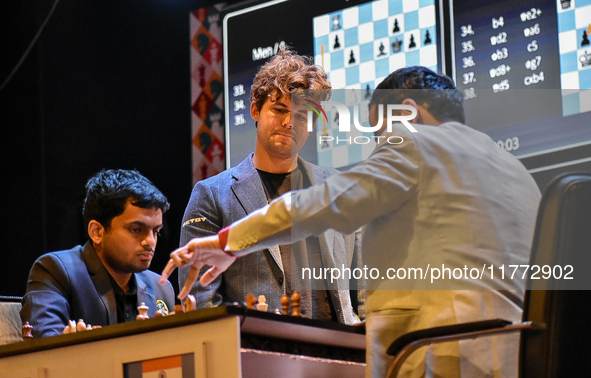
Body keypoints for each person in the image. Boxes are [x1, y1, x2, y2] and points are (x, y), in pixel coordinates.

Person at [162, 66, 541, 377]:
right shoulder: (516, 170)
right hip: (517, 353)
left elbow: (328, 203)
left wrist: (230, 242)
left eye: (382, 130)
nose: (382, 142)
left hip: (439, 354)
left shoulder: (414, 143)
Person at [178, 47, 363, 324]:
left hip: (338, 353)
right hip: (258, 357)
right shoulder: (212, 195)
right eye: (279, 110)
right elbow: (202, 302)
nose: (289, 123)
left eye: (302, 116)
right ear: (255, 109)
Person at [21, 169, 175, 338]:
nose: (150, 241)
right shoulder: (55, 270)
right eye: (136, 229)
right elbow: (43, 347)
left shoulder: (161, 288)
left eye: (156, 231)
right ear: (97, 232)